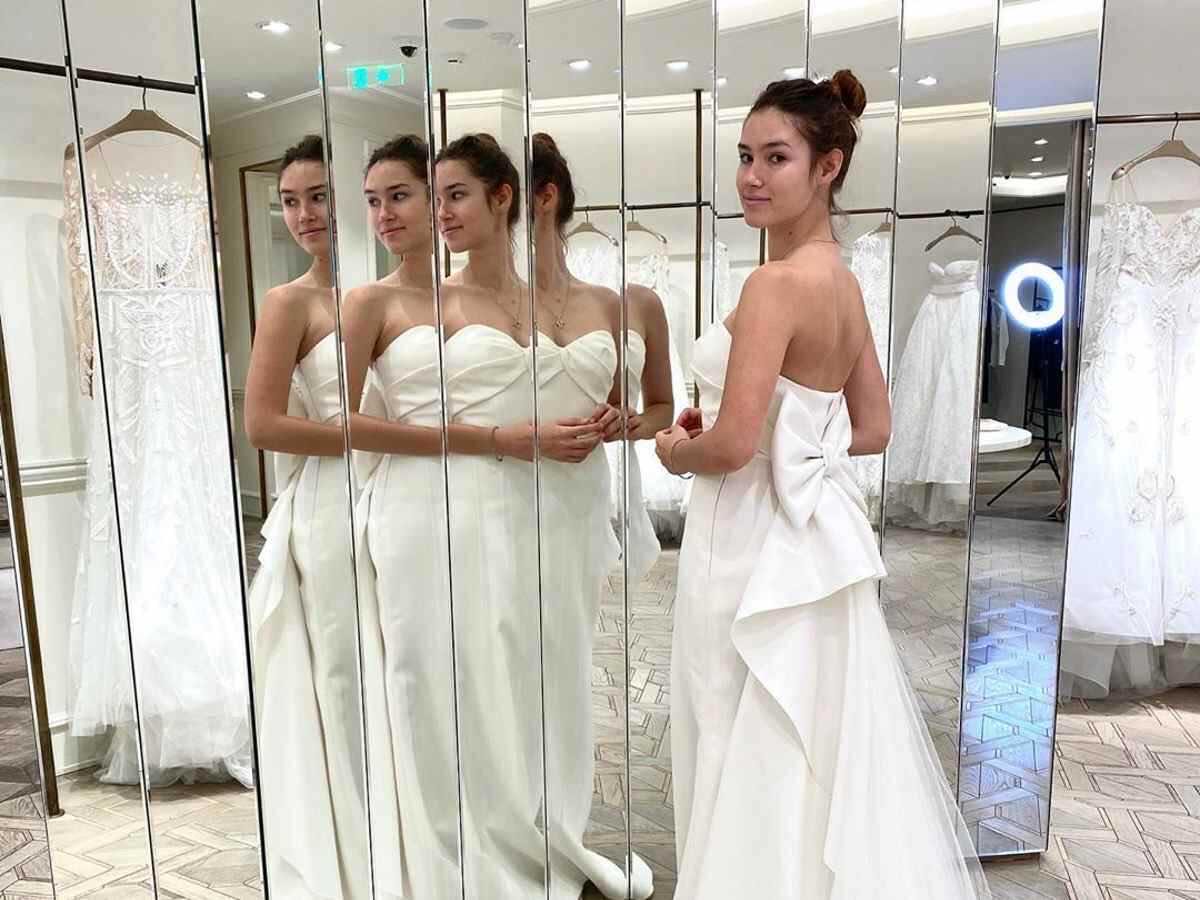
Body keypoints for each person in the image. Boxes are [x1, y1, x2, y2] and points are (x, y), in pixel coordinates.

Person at [655, 71, 993, 899]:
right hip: (810, 540)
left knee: (732, 720)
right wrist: (787, 436)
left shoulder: (774, 283)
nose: (751, 176)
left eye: (776, 157)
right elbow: (873, 428)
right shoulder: (841, 280)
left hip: (743, 535)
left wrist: (675, 450)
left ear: (828, 166)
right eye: (744, 156)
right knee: (807, 735)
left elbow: (732, 444)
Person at [529, 132, 656, 900]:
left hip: (578, 503)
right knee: (504, 666)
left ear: (543, 199)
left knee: (567, 664)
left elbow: (652, 409)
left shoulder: (614, 304)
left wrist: (623, 421)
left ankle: (560, 822)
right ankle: (506, 820)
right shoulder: (475, 306)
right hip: (502, 496)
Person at [243, 134, 368, 900]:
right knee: (342, 675)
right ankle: (348, 855)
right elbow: (262, 424)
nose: (304, 214)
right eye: (289, 201)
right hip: (329, 504)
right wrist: (377, 439)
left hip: (404, 501)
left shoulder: (405, 292)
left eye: (318, 196)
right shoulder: (288, 302)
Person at [340, 134, 460, 899]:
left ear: (437, 199)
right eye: (373, 200)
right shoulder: (370, 302)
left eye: (400, 196)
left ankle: (484, 831)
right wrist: (458, 440)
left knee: (474, 673)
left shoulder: (476, 296)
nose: (384, 213)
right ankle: (425, 853)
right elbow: (344, 422)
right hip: (411, 506)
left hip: (487, 504)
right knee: (417, 671)